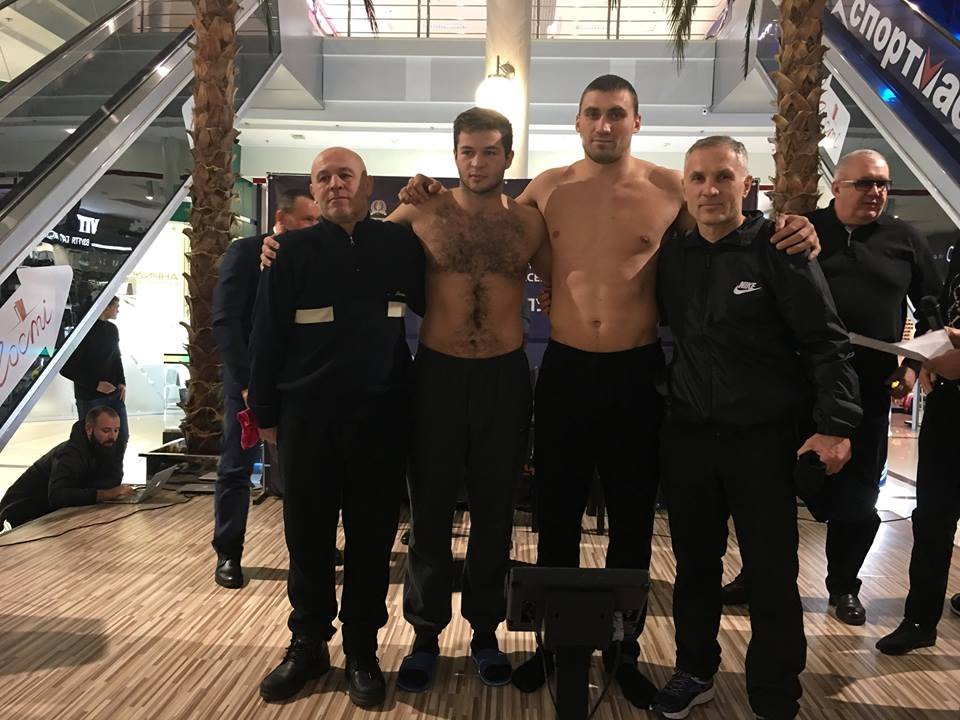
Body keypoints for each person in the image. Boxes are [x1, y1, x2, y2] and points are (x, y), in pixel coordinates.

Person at [399, 74, 820, 706]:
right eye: (593, 113)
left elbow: (729, 231)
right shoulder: (546, 190)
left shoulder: (671, 189)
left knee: (630, 522)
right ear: (576, 121)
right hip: (566, 370)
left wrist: (793, 227)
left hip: (635, 373)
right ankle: (552, 646)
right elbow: (477, 221)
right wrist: (418, 193)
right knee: (556, 518)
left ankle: (623, 650)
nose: (604, 124)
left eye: (616, 113)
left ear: (636, 122)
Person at [262, 108, 548, 691]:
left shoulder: (529, 223)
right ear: (454, 154)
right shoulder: (420, 213)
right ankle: (423, 634)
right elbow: (349, 243)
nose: (477, 162)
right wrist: (269, 249)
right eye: (467, 151)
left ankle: (486, 633)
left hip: (504, 377)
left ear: (508, 156)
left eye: (489, 151)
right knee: (429, 513)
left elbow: (575, 275)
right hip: (436, 376)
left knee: (496, 515)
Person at [653, 136, 861, 720]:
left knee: (772, 574)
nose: (710, 189)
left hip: (763, 441)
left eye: (723, 176)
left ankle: (775, 694)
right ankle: (694, 670)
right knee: (695, 567)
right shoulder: (674, 256)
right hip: (690, 438)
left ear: (747, 185)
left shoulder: (781, 248)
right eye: (698, 178)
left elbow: (827, 341)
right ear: (684, 188)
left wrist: (837, 424)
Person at [721, 149, 942, 626]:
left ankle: (843, 586)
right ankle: (755, 575)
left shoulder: (905, 240)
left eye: (882, 184)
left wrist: (912, 365)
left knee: (858, 500)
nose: (875, 192)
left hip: (867, 391)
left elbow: (932, 309)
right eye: (864, 183)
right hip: (791, 386)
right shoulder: (803, 230)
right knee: (769, 489)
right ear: (836, 187)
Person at [248, 147, 424, 709]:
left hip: (380, 418)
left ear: (366, 185)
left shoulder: (398, 246)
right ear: (314, 190)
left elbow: (435, 299)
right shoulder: (288, 252)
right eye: (323, 177)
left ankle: (363, 649)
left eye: (345, 175)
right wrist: (266, 416)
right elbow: (266, 336)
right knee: (308, 538)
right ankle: (308, 645)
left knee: (372, 539)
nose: (335, 184)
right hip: (307, 420)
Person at [210, 188, 318, 589]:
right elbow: (226, 322)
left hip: (298, 383)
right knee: (237, 467)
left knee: (305, 472)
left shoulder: (315, 258)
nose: (313, 226)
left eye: (317, 220)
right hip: (248, 383)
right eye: (307, 219)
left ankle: (311, 548)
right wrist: (245, 384)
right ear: (281, 218)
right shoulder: (244, 252)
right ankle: (228, 552)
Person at [876, 245, 960, 655]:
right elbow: (942, 314)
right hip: (949, 400)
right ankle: (919, 621)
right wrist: (926, 358)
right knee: (931, 516)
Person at [0, 406, 133, 528]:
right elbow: (58, 496)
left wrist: (108, 492)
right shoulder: (70, 454)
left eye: (116, 430)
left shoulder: (111, 445)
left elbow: (113, 480)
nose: (112, 436)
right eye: (106, 430)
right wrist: (104, 494)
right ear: (89, 429)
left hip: (51, 510)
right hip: (23, 510)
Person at [60, 296, 128, 466]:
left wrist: (122, 382)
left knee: (122, 436)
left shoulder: (112, 330)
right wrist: (96, 385)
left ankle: (114, 473)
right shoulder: (83, 332)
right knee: (92, 441)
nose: (118, 310)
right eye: (116, 306)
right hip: (90, 397)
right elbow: (66, 368)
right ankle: (92, 476)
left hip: (115, 394)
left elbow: (116, 358)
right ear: (106, 308)